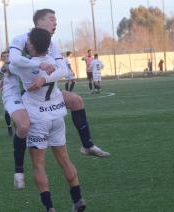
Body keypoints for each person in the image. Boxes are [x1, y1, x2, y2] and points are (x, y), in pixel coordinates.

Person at [8, 8, 110, 189]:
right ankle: (19, 170)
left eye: (55, 20)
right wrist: (39, 64)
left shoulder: (50, 44)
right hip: (25, 93)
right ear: (39, 22)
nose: (55, 23)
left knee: (77, 101)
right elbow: (14, 60)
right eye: (51, 19)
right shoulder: (21, 39)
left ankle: (87, 146)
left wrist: (44, 78)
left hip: (46, 92)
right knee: (24, 127)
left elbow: (63, 70)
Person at [10, 27, 86, 212]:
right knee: (64, 159)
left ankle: (49, 207)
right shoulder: (53, 61)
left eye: (28, 42)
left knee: (39, 165)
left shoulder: (23, 65)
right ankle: (77, 199)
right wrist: (45, 78)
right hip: (57, 115)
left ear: (31, 45)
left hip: (37, 120)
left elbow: (11, 64)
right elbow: (63, 71)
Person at [0, 50, 13, 136]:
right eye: (4, 56)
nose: (6, 57)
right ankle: (9, 127)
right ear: (1, 58)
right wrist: (0, 86)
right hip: (6, 93)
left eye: (7, 55)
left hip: (16, 91)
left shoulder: (14, 67)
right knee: (7, 110)